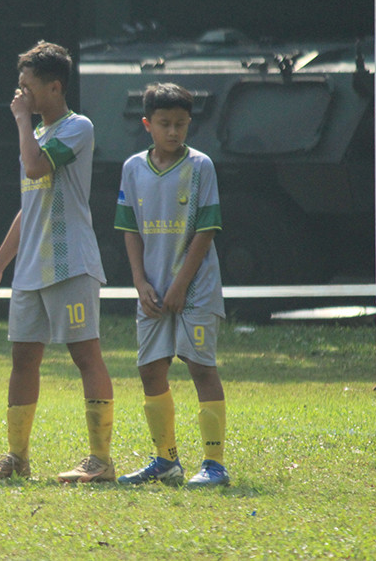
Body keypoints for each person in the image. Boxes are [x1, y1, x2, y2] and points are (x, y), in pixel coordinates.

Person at [0, 41, 117, 483]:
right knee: (22, 359)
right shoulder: (33, 135)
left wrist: (19, 121)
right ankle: (16, 457)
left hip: (70, 263)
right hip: (31, 270)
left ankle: (101, 460)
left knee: (85, 355)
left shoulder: (78, 127)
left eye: (27, 88)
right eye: (19, 88)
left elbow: (35, 170)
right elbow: (28, 206)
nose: (21, 97)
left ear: (55, 87)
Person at [114, 82, 229, 487]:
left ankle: (215, 465)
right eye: (165, 123)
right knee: (149, 368)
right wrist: (139, 281)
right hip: (152, 289)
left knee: (200, 365)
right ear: (148, 124)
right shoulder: (132, 168)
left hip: (194, 287)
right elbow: (129, 229)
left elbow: (206, 230)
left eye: (181, 124)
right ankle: (166, 459)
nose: (174, 132)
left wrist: (181, 284)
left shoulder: (200, 167)